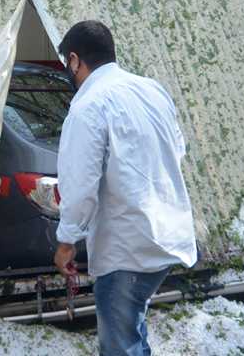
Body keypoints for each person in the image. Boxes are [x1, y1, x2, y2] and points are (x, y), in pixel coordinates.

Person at [52, 20, 198, 356]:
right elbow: (177, 150)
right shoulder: (152, 90)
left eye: (66, 63)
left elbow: (80, 186)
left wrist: (66, 241)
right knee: (132, 330)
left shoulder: (88, 106)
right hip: (166, 234)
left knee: (121, 346)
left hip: (126, 248)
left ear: (74, 60)